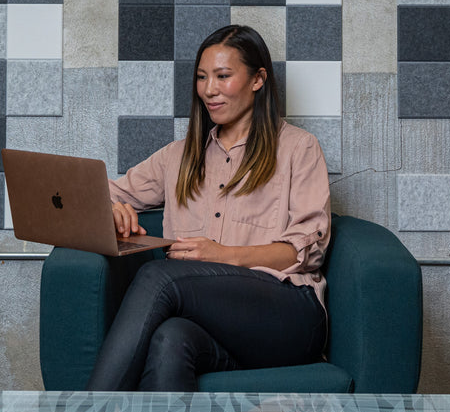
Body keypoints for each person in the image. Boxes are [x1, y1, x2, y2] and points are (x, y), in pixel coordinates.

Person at [85, 24, 331, 391]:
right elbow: (104, 193)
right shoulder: (179, 155)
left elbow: (307, 251)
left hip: (286, 315)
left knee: (157, 276)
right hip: (211, 324)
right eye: (202, 77)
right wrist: (111, 208)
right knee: (170, 338)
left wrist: (225, 255)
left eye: (222, 76)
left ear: (258, 79)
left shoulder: (299, 148)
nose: (209, 90)